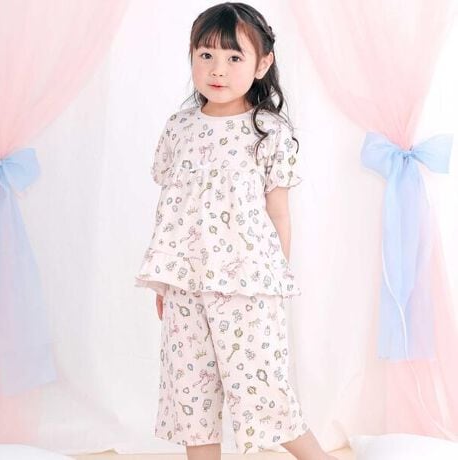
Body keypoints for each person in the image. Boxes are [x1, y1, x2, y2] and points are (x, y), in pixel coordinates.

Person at [135, 3, 339, 459]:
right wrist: (165, 278)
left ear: (262, 64)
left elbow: (279, 214)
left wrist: (275, 282)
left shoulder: (267, 131)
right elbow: (171, 206)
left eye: (233, 57)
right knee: (192, 395)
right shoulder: (180, 127)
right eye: (206, 55)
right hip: (186, 285)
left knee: (264, 392)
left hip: (249, 286)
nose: (217, 70)